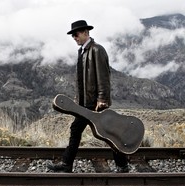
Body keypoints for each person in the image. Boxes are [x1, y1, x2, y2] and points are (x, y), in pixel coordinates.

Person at [47, 20, 129, 173]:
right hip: (85, 103)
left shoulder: (97, 50)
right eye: (72, 35)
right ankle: (122, 165)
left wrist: (102, 99)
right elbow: (82, 80)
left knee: (104, 133)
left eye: (76, 34)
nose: (74, 37)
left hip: (94, 103)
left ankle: (67, 164)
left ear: (85, 32)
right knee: (101, 133)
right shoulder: (83, 51)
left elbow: (104, 77)